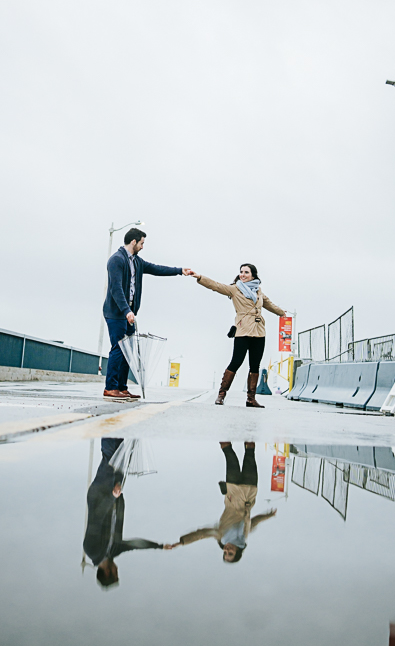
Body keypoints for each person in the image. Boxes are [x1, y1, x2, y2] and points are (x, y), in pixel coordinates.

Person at [103, 228, 192, 399]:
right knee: (118, 348)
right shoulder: (116, 260)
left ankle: (122, 387)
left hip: (129, 313)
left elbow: (157, 268)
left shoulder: (136, 262)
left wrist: (180, 270)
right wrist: (126, 310)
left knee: (128, 351)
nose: (143, 246)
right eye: (142, 243)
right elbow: (116, 289)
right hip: (116, 313)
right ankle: (110, 387)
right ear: (134, 242)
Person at [189, 263, 286, 406]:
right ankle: (221, 395)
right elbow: (216, 286)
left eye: (246, 272)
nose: (243, 274)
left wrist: (282, 313)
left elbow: (269, 304)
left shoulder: (258, 291)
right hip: (243, 330)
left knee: (255, 365)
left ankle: (251, 399)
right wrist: (200, 277)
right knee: (236, 362)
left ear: (253, 275)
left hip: (259, 331)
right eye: (241, 272)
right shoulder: (235, 289)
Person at [165, 442, 277, 562]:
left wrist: (181, 543)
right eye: (230, 553)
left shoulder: (221, 534)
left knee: (227, 451)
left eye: (225, 552)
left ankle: (225, 427)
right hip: (250, 490)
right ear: (237, 551)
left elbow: (201, 534)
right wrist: (268, 515)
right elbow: (255, 521)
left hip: (233, 493)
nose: (227, 550)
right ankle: (248, 426)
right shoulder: (245, 534)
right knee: (250, 450)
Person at [83, 438, 167, 588]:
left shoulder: (92, 550)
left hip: (101, 494)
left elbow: (98, 517)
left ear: (108, 573)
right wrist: (158, 546)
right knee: (120, 460)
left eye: (116, 573)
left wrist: (111, 496)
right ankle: (119, 430)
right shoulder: (113, 551)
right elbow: (134, 545)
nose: (117, 570)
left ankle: (110, 428)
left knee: (110, 459)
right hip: (114, 495)